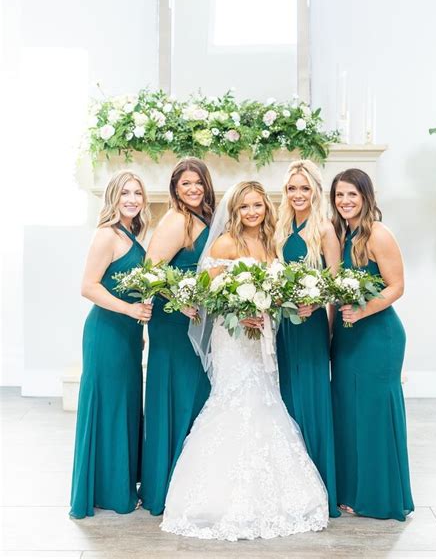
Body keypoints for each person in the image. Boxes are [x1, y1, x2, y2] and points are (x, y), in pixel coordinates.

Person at [161, 181, 329, 541]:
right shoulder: (225, 243)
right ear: (234, 211)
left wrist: (265, 309)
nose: (252, 212)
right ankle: (217, 497)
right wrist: (241, 311)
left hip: (262, 337)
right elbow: (206, 294)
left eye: (258, 205)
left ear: (266, 208)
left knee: (266, 400)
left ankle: (269, 495)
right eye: (245, 207)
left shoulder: (270, 244)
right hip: (233, 338)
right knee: (234, 400)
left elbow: (275, 290)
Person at [330, 168, 414, 521]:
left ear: (366, 197)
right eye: (339, 195)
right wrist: (331, 334)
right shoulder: (341, 235)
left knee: (375, 415)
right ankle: (353, 492)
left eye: (352, 194)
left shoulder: (379, 234)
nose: (346, 201)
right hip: (347, 337)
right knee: (349, 414)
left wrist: (362, 311)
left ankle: (380, 498)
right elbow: (334, 295)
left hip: (378, 335)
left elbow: (396, 286)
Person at [70, 170, 152, 519]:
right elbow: (88, 286)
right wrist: (130, 308)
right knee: (108, 406)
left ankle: (117, 485)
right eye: (125, 193)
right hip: (107, 333)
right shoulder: (106, 234)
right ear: (113, 198)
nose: (132, 199)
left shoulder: (131, 234)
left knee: (124, 406)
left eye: (137, 193)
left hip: (129, 335)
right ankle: (107, 492)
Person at [139, 157, 215, 516]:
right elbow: (149, 274)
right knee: (175, 395)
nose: (193, 189)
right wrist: (179, 300)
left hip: (198, 322)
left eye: (198, 182)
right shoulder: (176, 220)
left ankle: (191, 484)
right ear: (175, 189)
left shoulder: (206, 219)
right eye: (185, 184)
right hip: (174, 323)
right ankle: (162, 487)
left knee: (196, 395)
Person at [275, 160, 341, 518]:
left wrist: (314, 304)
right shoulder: (282, 227)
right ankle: (292, 487)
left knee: (312, 397)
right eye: (291, 188)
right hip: (285, 326)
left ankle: (320, 489)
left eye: (304, 188)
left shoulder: (325, 230)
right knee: (286, 398)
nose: (297, 194)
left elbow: (333, 282)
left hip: (311, 325)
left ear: (315, 190)